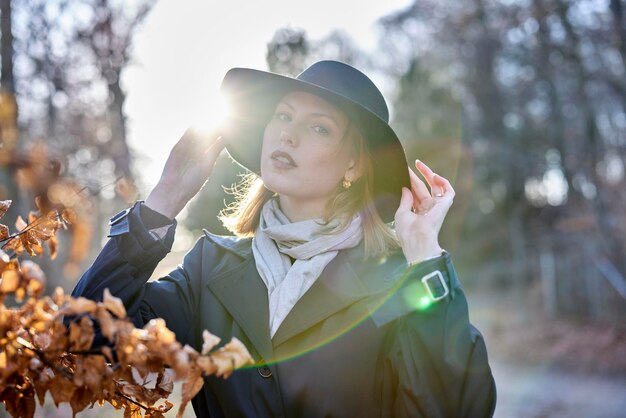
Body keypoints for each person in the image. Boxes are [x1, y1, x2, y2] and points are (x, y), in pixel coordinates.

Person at [73, 60, 496, 417]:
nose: (287, 134)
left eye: (319, 128)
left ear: (354, 166)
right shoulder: (209, 268)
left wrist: (424, 252)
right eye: (283, 115)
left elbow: (456, 406)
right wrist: (161, 204)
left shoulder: (394, 282)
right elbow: (81, 341)